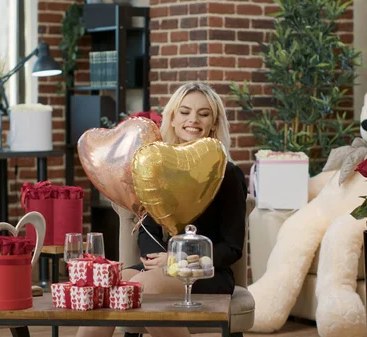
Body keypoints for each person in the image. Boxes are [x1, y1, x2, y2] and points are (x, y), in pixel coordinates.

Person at [77, 82, 247, 337]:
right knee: (106, 287)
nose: (193, 120)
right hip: (157, 267)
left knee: (140, 287)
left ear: (213, 122)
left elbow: (232, 248)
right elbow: (147, 230)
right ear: (174, 118)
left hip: (206, 273)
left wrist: (178, 261)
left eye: (203, 113)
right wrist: (161, 262)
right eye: (185, 112)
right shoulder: (155, 166)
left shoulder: (228, 173)